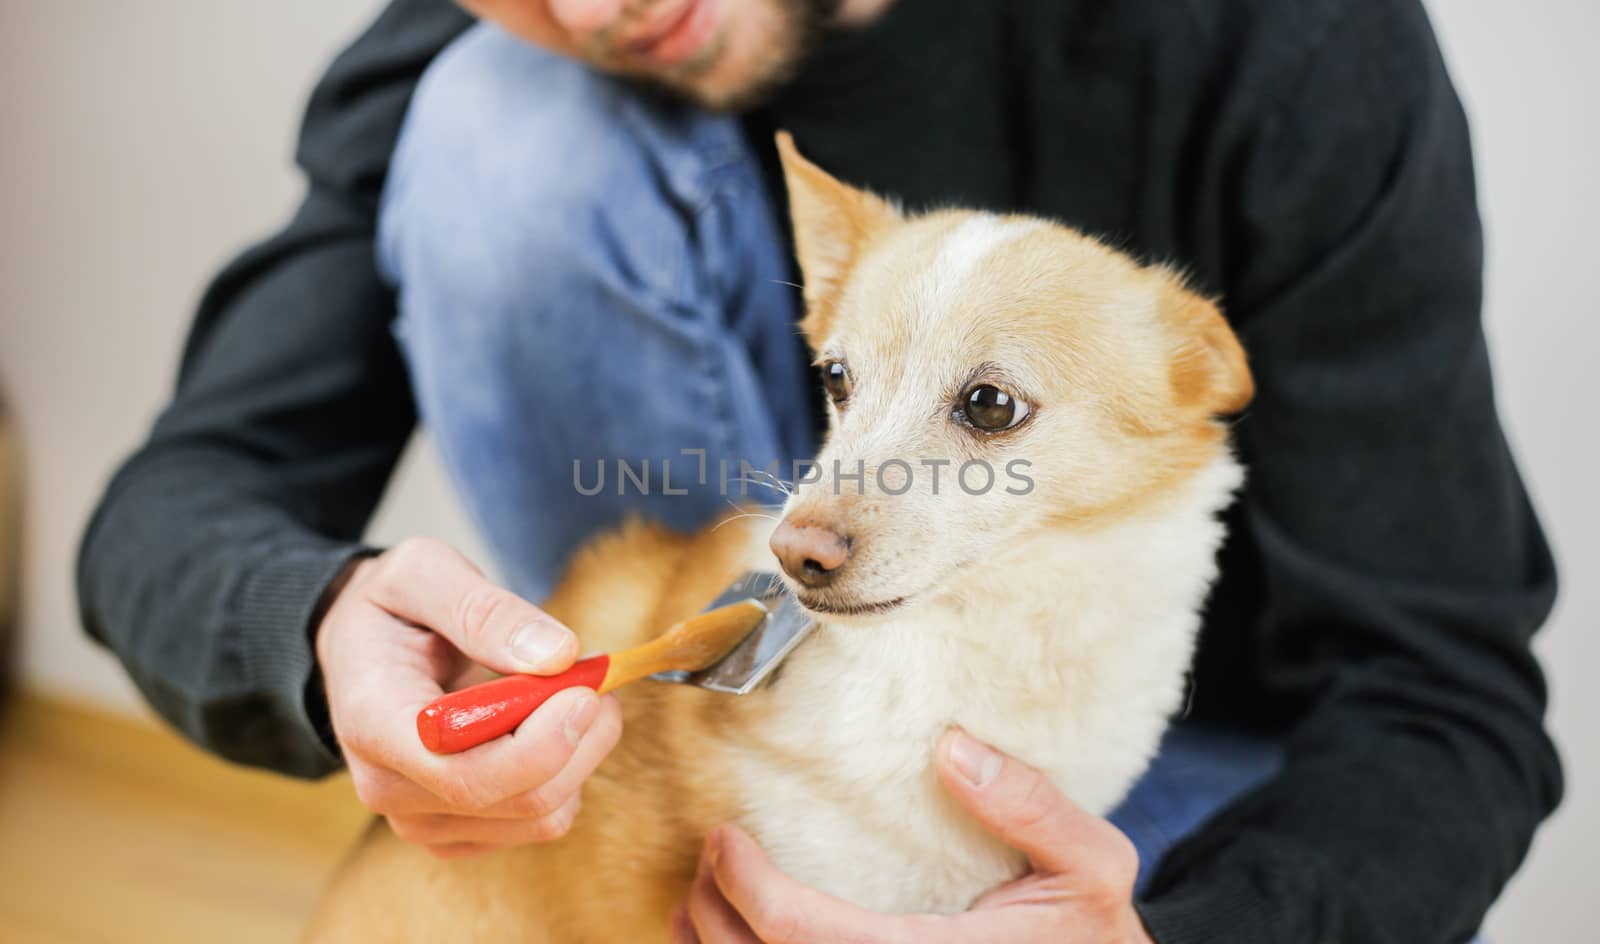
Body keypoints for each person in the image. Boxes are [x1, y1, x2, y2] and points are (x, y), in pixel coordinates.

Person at [77, 0, 1560, 940]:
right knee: (493, 123)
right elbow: (168, 512)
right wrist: (321, 625)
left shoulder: (1278, 42)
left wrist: (1180, 937)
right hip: (697, 762)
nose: (593, 6)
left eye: (987, 405)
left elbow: (1448, 697)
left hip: (1167, 810)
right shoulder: (472, 52)